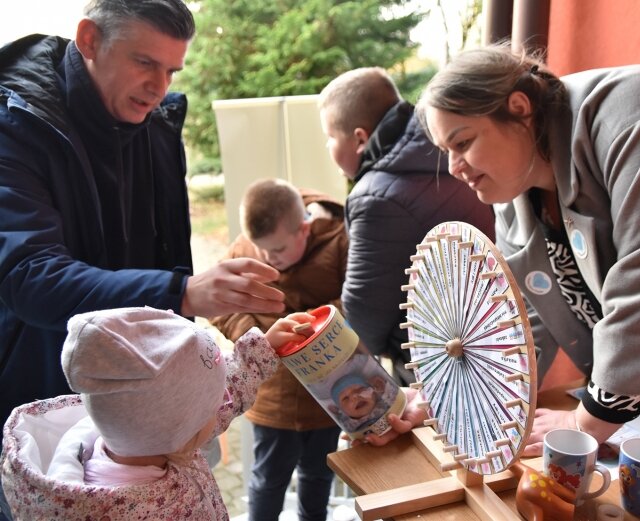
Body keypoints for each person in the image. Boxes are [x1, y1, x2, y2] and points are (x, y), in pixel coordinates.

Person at [413, 43, 640, 455]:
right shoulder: (514, 195)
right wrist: (459, 393)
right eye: (446, 152)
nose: (453, 167)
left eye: (461, 143)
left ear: (519, 108)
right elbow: (519, 318)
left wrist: (584, 422)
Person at [0, 0, 285, 460]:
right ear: (90, 39)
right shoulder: (15, 125)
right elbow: (30, 277)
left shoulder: (157, 123)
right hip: (47, 408)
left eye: (172, 70)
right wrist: (182, 292)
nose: (159, 87)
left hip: (153, 402)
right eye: (145, 63)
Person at [0, 306, 312, 519]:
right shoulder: (118, 510)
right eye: (210, 405)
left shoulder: (144, 436)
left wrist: (262, 350)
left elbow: (205, 396)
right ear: (183, 428)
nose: (219, 407)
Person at [318, 67, 496, 385]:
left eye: (330, 137)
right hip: (494, 337)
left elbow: (364, 316)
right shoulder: (448, 150)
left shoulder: (375, 195)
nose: (328, 148)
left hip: (436, 360)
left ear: (360, 138)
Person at [210, 178, 347, 521]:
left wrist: (314, 328)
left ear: (304, 228)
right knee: (267, 482)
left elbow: (358, 299)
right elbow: (219, 303)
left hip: (326, 395)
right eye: (262, 251)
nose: (270, 258)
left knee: (318, 478)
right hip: (274, 401)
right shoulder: (246, 249)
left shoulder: (340, 239)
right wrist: (259, 340)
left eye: (279, 251)